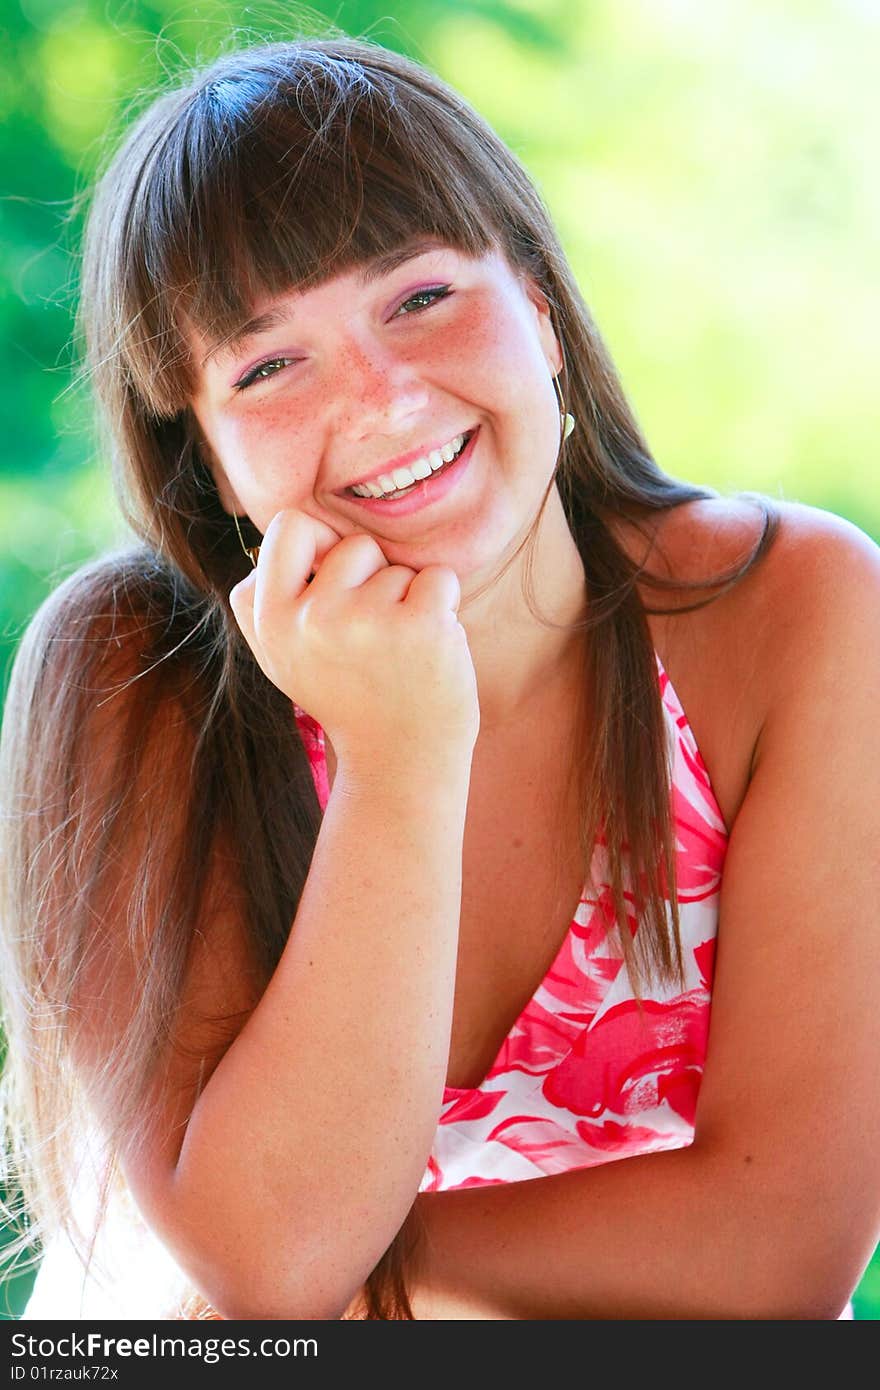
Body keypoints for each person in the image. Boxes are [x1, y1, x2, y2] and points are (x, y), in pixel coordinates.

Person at [1, 30, 878, 1323]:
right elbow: (272, 1260)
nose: (380, 397)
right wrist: (404, 754)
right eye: (268, 364)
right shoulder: (136, 675)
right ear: (206, 458)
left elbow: (780, 1255)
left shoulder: (791, 607)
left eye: (418, 297)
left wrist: (372, 1264)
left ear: (541, 309)